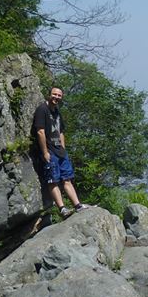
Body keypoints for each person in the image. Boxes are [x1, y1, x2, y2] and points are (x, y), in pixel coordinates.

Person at [33, 86, 89, 217]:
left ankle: (77, 205)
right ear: (49, 95)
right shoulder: (42, 109)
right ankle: (62, 209)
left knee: (67, 179)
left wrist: (63, 149)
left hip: (60, 152)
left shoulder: (57, 111)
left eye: (59, 95)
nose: (56, 97)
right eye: (54, 94)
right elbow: (40, 131)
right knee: (53, 180)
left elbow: (61, 131)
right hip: (50, 151)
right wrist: (45, 152)